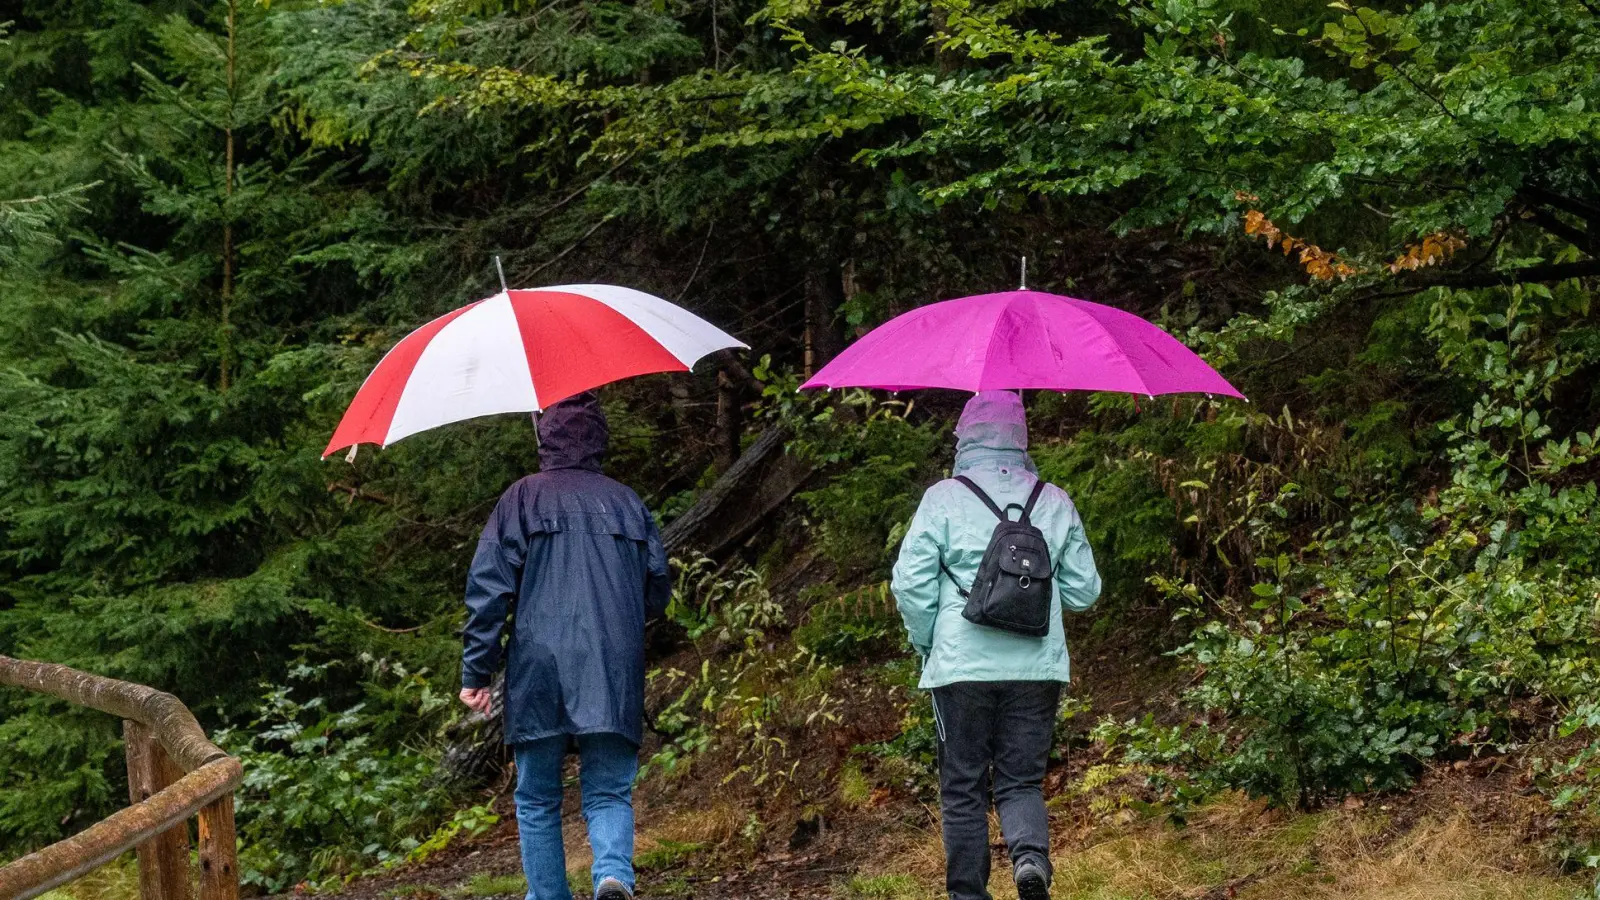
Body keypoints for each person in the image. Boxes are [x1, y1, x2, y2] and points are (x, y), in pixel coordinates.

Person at [459, 392, 671, 900]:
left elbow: (489, 590)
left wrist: (476, 673)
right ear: (599, 438)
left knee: (536, 797)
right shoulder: (626, 500)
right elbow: (657, 589)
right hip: (612, 665)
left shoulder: (521, 498)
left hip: (538, 668)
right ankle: (613, 875)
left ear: (543, 437)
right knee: (608, 788)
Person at [891, 390, 1102, 900]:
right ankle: (1029, 861)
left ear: (965, 435)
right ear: (1021, 436)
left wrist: (928, 643)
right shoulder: (1053, 499)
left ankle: (968, 895)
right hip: (1037, 668)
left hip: (960, 667)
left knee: (962, 786)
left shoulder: (943, 497)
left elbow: (909, 584)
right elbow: (1084, 591)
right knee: (1020, 781)